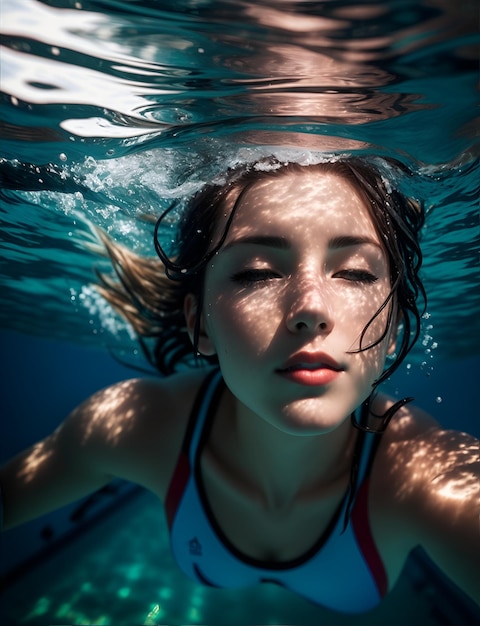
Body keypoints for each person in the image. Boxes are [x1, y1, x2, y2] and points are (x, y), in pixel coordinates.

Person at [1, 156, 478, 613]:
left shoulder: (427, 476)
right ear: (200, 323)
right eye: (256, 272)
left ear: (393, 328)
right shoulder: (131, 426)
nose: (311, 308)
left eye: (355, 272)